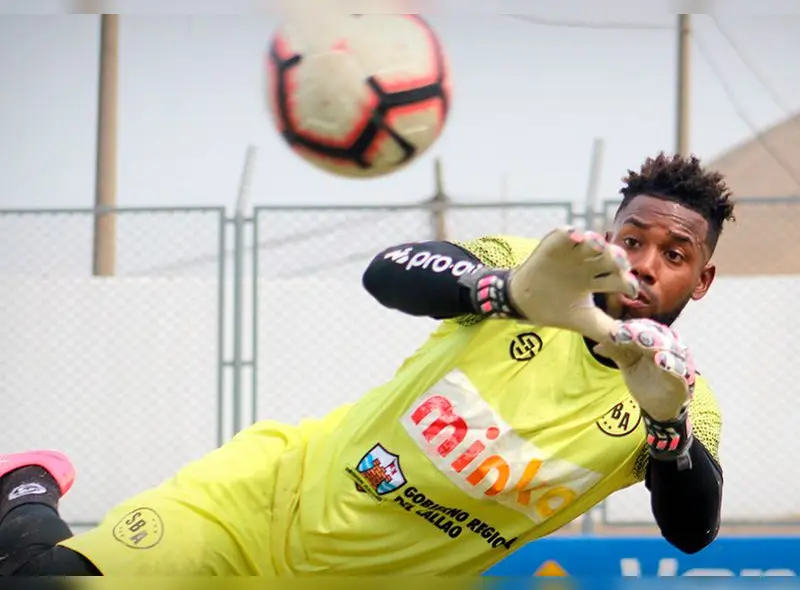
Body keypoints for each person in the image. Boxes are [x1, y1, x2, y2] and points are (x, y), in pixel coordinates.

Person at [0, 152, 735, 576]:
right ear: (610, 235)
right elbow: (390, 271)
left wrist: (665, 427)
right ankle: (26, 490)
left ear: (700, 282)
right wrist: (503, 293)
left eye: (675, 256)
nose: (645, 265)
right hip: (263, 507)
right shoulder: (530, 273)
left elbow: (691, 530)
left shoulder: (684, 404)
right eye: (632, 239)